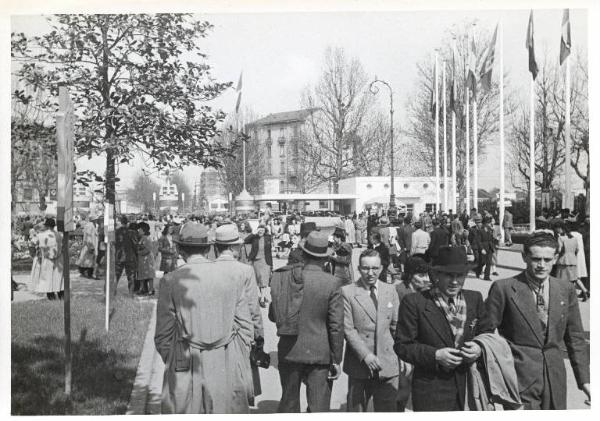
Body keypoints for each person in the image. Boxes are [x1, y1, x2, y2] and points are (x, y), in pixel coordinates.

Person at [154, 223, 254, 414]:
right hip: (226, 357)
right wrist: (236, 355)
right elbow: (246, 327)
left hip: (186, 359)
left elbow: (162, 336)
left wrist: (175, 357)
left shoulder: (171, 280)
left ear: (180, 249)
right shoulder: (232, 276)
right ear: (208, 248)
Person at [483, 232, 590, 409]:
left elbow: (575, 339)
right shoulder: (504, 288)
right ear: (524, 257)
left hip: (555, 379)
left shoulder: (565, 288)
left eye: (547, 260)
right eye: (536, 259)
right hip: (519, 379)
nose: (542, 265)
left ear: (556, 258)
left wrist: (585, 382)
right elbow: (485, 333)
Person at [394, 246, 491, 411]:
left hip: (469, 387)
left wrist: (479, 348)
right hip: (431, 391)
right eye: (448, 275)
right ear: (437, 275)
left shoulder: (474, 299)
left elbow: (486, 333)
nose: (454, 282)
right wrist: (435, 355)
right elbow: (402, 346)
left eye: (459, 275)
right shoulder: (415, 302)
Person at [269, 231, 344, 412]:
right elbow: (336, 326)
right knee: (318, 407)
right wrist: (336, 359)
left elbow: (273, 315)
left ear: (303, 253)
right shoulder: (332, 283)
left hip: (289, 350)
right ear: (326, 258)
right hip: (320, 352)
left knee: (289, 404)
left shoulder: (285, 277)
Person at [213, 224, 266, 406]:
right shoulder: (245, 271)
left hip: (215, 335)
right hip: (240, 337)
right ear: (234, 247)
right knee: (240, 388)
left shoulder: (209, 270)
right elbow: (253, 308)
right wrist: (259, 336)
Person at [342, 249, 400, 412]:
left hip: (387, 362)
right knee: (357, 409)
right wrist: (365, 355)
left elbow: (396, 327)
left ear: (381, 268)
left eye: (375, 268)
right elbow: (348, 329)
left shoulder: (390, 290)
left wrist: (401, 356)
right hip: (360, 363)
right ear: (359, 269)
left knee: (388, 409)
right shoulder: (348, 292)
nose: (370, 273)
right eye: (365, 268)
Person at [394, 256, 431, 411]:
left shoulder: (428, 293)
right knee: (403, 387)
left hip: (423, 345)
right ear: (409, 275)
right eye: (421, 275)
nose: (426, 279)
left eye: (427, 275)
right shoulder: (399, 291)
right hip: (405, 345)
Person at [553, 221, 589, 300]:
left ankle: (563, 296)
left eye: (556, 229)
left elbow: (559, 250)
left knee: (561, 278)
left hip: (564, 261)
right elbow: (577, 249)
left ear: (560, 228)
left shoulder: (561, 238)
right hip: (573, 260)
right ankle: (585, 291)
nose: (556, 231)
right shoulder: (573, 238)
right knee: (574, 278)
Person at [30, 218, 64, 300]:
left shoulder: (41, 235)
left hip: (47, 259)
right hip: (59, 259)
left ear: (47, 226)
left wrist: (35, 254)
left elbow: (32, 243)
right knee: (58, 277)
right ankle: (61, 295)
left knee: (47, 277)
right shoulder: (59, 235)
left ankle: (51, 296)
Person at [244, 223, 273, 307]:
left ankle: (262, 298)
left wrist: (271, 265)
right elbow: (246, 240)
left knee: (264, 280)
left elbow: (270, 252)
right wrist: (254, 233)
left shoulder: (268, 238)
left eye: (263, 230)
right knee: (260, 280)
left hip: (265, 261)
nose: (261, 232)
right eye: (259, 230)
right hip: (256, 261)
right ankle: (263, 296)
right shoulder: (254, 238)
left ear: (265, 231)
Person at [115, 216, 138, 295]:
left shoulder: (116, 232)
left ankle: (113, 292)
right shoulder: (132, 232)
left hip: (119, 256)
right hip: (130, 257)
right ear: (127, 223)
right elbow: (135, 245)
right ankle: (131, 294)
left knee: (116, 275)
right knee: (131, 276)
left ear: (121, 222)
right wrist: (136, 254)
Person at [136, 222, 156, 296]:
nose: (139, 231)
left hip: (147, 259)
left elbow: (148, 249)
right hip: (142, 260)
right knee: (142, 275)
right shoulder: (142, 238)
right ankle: (143, 289)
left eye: (140, 230)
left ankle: (151, 289)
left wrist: (139, 252)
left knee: (149, 275)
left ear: (144, 231)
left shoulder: (147, 238)